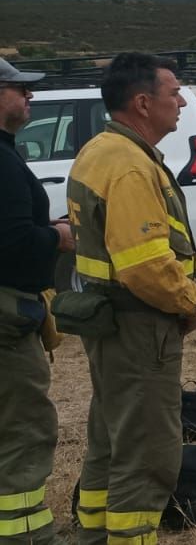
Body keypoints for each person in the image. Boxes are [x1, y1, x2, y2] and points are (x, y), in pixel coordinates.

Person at [68, 52, 196, 544]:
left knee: (109, 441)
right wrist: (192, 303)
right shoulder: (129, 165)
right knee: (147, 454)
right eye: (174, 93)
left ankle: (93, 535)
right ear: (144, 102)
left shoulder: (101, 150)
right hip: (138, 328)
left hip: (112, 326)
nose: (181, 101)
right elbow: (146, 266)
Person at [0, 57, 70, 544]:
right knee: (25, 428)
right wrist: (58, 237)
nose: (30, 96)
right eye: (18, 88)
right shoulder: (1, 162)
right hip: (7, 314)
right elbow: (13, 243)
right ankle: (25, 535)